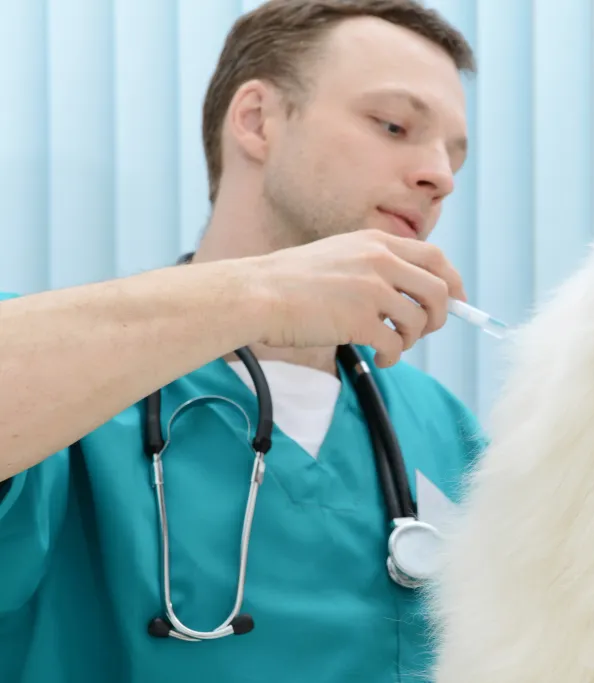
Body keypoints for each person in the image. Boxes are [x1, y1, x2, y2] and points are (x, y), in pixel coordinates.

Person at [0, 1, 487, 681]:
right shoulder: (65, 372)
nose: (441, 175)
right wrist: (261, 294)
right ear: (258, 120)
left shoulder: (446, 429)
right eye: (395, 125)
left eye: (454, 154)